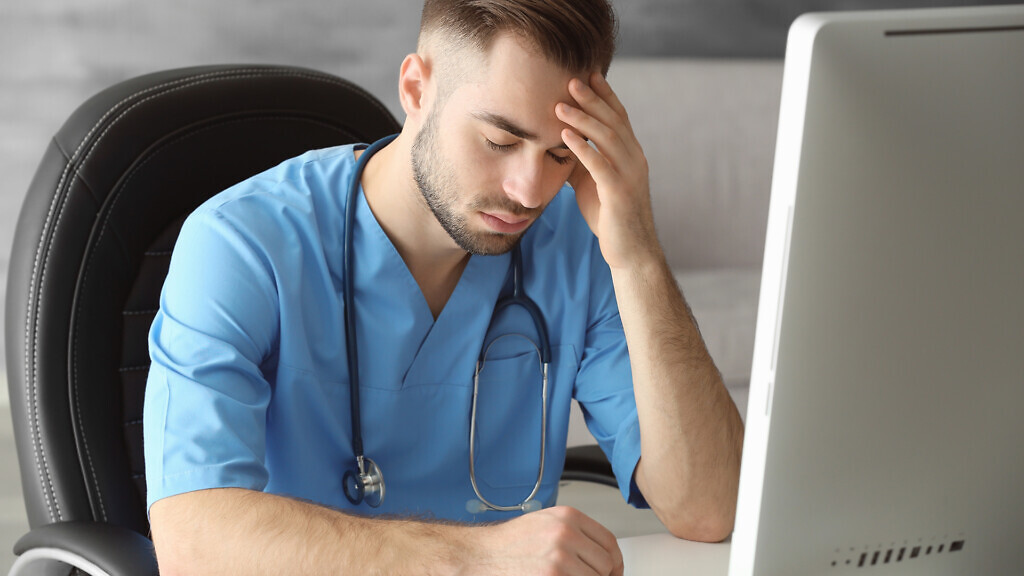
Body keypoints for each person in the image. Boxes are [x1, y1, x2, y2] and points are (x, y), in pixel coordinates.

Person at [144, 1, 744, 574]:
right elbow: (192, 542)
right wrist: (473, 560)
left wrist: (637, 254)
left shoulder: (580, 247)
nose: (530, 190)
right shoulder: (240, 245)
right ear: (416, 89)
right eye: (500, 142)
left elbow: (710, 508)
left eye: (562, 156)